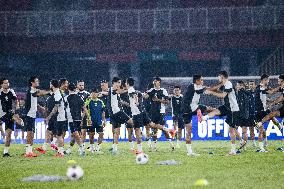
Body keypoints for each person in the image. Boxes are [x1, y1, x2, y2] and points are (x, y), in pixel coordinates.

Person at [202, 71, 240, 155]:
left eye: (219, 77)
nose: (218, 78)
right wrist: (209, 89)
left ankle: (233, 150)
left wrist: (211, 92)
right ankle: (204, 118)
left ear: (222, 77)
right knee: (215, 111)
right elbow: (219, 91)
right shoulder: (224, 84)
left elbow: (223, 95)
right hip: (227, 106)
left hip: (233, 109)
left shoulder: (228, 84)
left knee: (231, 129)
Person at [182, 74, 214, 156]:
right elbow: (200, 91)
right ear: (197, 81)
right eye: (201, 80)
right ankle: (189, 152)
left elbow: (206, 90)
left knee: (208, 108)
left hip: (194, 107)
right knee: (189, 130)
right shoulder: (192, 86)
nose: (202, 81)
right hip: (187, 110)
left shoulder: (198, 87)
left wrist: (210, 90)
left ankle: (201, 115)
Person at [144, 77, 175, 151]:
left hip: (161, 111)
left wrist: (158, 100)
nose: (154, 82)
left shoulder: (163, 91)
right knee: (154, 129)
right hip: (153, 112)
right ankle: (154, 147)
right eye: (154, 81)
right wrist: (144, 95)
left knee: (162, 130)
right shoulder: (151, 90)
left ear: (159, 82)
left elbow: (167, 102)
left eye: (156, 81)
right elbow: (145, 96)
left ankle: (171, 144)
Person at [108, 77, 134, 154]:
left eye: (120, 83)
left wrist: (125, 103)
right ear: (114, 83)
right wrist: (129, 89)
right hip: (117, 112)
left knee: (117, 131)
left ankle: (114, 149)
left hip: (113, 113)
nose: (119, 84)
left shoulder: (113, 91)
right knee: (131, 121)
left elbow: (118, 100)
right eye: (118, 83)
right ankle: (144, 135)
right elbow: (120, 91)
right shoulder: (113, 89)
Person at [1, 78, 23, 157]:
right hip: (1, 114)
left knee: (9, 134)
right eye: (5, 83)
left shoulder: (11, 91)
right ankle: (19, 120)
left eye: (8, 83)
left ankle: (5, 152)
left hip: (9, 114)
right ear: (1, 84)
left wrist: (16, 108)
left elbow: (16, 101)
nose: (7, 84)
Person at [45, 79, 67, 157]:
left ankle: (61, 152)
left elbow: (56, 107)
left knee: (59, 135)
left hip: (59, 117)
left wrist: (49, 116)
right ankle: (60, 151)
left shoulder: (57, 94)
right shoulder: (57, 93)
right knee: (57, 134)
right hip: (60, 117)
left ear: (51, 85)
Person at [64, 83, 85, 156]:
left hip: (71, 119)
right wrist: (82, 118)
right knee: (74, 135)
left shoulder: (66, 98)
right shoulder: (79, 97)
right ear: (75, 88)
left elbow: (63, 108)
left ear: (68, 89)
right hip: (79, 118)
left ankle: (82, 149)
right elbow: (84, 109)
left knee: (75, 134)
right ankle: (69, 150)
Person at [83, 87, 106, 154]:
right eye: (93, 93)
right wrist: (86, 118)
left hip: (99, 121)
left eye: (95, 93)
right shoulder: (88, 101)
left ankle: (98, 148)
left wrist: (104, 120)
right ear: (91, 93)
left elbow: (103, 112)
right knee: (91, 135)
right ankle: (92, 148)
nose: (94, 94)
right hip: (91, 121)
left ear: (98, 94)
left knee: (101, 134)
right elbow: (84, 108)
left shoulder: (101, 102)